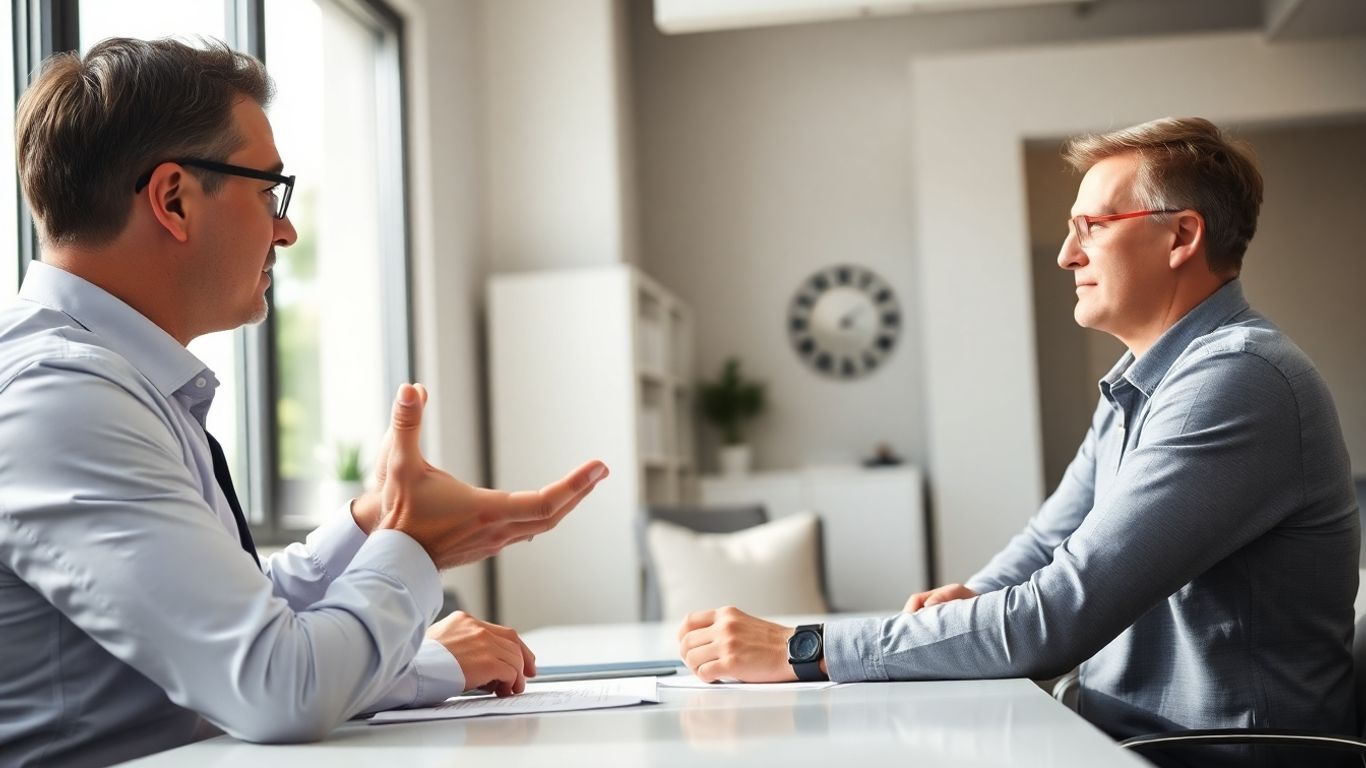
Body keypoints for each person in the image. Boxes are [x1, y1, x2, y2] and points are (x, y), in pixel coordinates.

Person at [0, 37, 607, 767]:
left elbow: (235, 621)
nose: (285, 230)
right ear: (173, 199)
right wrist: (414, 545)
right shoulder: (61, 397)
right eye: (268, 193)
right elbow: (276, 686)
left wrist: (373, 521)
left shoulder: (104, 381)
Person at [678, 117, 1359, 755]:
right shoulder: (1146, 379)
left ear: (1182, 237)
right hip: (1117, 734)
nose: (1067, 255)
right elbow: (1045, 546)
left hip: (1202, 755)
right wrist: (971, 598)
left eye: (1090, 226)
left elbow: (1058, 615)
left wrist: (804, 647)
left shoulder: (1236, 381)